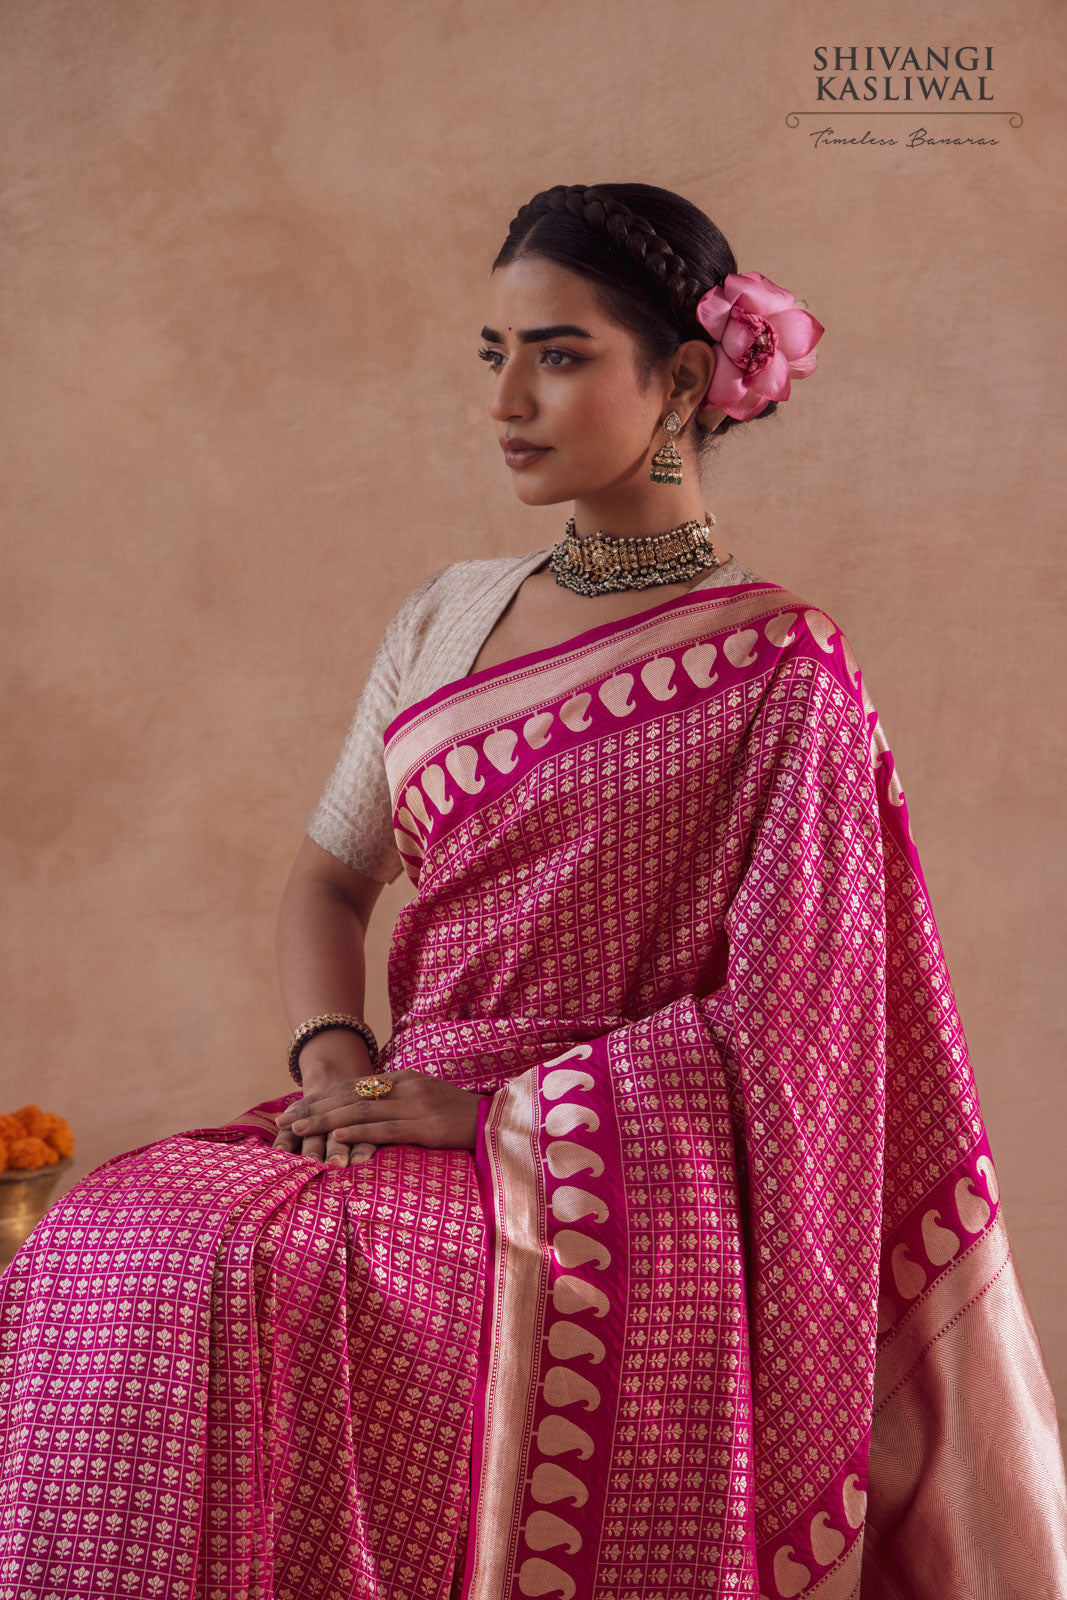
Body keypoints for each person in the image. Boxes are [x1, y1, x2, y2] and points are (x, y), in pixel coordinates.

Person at [0, 182, 1064, 1600]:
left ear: (683, 380)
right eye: (493, 354)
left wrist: (502, 1117)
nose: (507, 399)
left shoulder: (785, 672)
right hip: (396, 1108)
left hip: (608, 1174)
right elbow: (328, 878)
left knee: (260, 1275)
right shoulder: (445, 616)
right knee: (112, 1233)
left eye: (559, 356)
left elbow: (800, 1030)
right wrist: (338, 1061)